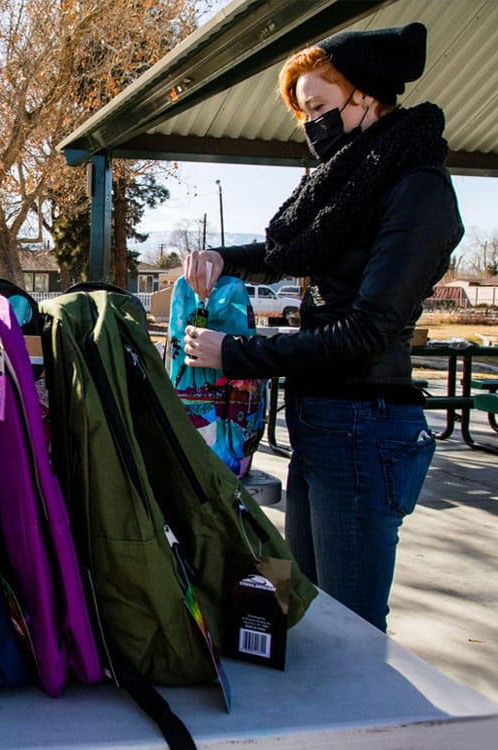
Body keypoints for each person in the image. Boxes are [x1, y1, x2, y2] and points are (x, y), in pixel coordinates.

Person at [181, 22, 463, 631]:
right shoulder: (347, 185)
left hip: (365, 425)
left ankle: (376, 727)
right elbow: (291, 250)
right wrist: (225, 258)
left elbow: (366, 332)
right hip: (321, 420)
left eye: (320, 108)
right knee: (310, 611)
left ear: (366, 96)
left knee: (352, 627)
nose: (311, 126)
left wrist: (236, 353)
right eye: (302, 113)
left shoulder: (417, 190)